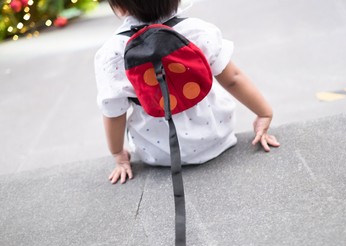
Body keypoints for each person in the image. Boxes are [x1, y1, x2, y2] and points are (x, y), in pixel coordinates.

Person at [95, 0, 280, 184]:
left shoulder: (113, 53)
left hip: (158, 152)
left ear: (119, 7)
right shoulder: (197, 31)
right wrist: (263, 113)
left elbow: (113, 111)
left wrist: (118, 154)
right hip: (217, 136)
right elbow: (233, 79)